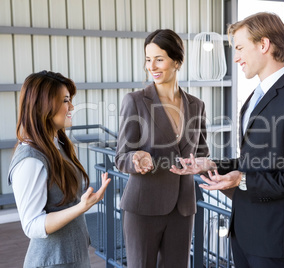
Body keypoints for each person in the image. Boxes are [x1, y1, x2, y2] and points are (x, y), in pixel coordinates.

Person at [170, 12, 284, 268]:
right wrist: (212, 165)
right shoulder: (256, 96)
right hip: (244, 235)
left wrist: (242, 180)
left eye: (241, 48)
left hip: (273, 244)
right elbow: (255, 161)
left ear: (264, 45)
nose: (236, 58)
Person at [114, 29, 209, 268]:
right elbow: (120, 157)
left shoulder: (196, 106)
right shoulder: (135, 101)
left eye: (159, 59)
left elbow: (202, 154)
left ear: (177, 61)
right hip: (143, 207)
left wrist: (199, 166)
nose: (152, 66)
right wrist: (135, 157)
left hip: (183, 207)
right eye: (148, 59)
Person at [7, 70, 111, 267]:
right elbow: (32, 225)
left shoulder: (57, 144)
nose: (71, 106)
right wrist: (82, 207)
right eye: (65, 100)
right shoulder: (30, 159)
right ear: (42, 107)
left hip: (72, 257)